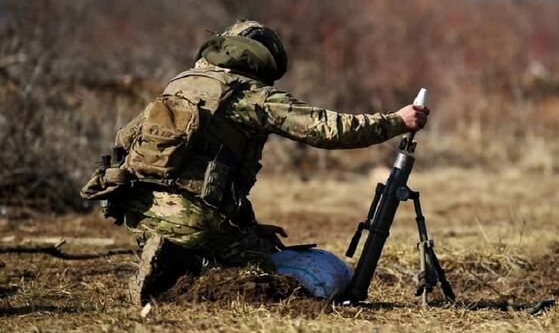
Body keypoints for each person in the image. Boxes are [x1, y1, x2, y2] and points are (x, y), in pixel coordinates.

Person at [80, 20, 429, 305]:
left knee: (226, 240)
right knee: (263, 275)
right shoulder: (248, 94)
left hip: (140, 213)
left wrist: (247, 225)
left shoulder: (180, 84)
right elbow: (326, 129)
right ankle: (184, 269)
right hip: (194, 220)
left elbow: (125, 141)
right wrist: (396, 122)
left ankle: (172, 252)